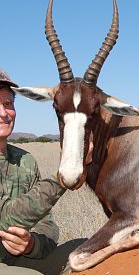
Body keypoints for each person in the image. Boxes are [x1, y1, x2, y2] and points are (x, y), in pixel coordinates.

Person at [0, 70, 84, 275]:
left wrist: (31, 244)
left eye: (8, 104)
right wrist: (63, 179)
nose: (3, 113)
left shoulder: (25, 161)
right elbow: (7, 219)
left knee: (86, 249)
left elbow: (48, 225)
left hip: (18, 258)